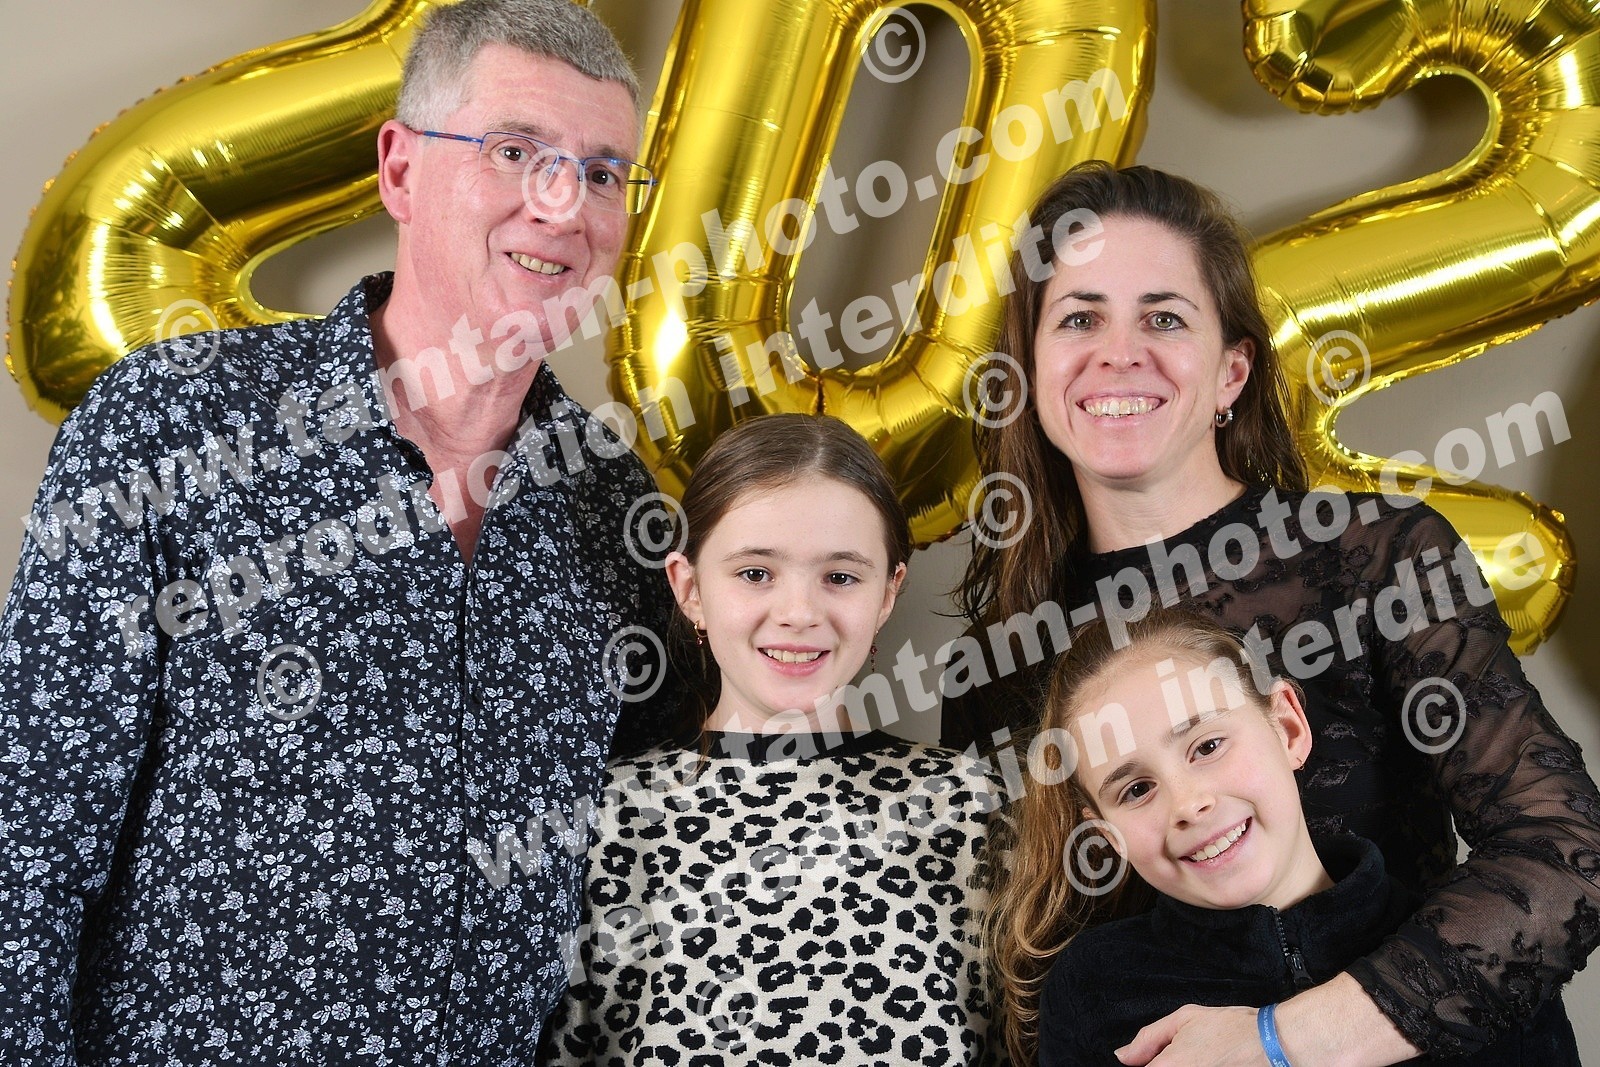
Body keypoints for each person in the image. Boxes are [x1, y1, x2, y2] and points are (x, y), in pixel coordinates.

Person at [0, 1, 675, 1062]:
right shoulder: (173, 425)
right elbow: (26, 845)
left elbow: (630, 872)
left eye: (602, 173)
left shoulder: (614, 501)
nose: (562, 206)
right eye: (514, 152)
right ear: (401, 170)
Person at [942, 162, 1600, 1062]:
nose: (1118, 352)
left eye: (1164, 318)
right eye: (1080, 318)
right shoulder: (999, 662)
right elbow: (1021, 984)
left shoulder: (1376, 555)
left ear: (1232, 372)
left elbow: (1565, 850)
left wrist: (1278, 1043)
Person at [536, 414, 1006, 1066]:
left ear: (887, 593)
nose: (798, 613)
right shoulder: (606, 820)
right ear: (689, 587)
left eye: (840, 576)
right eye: (755, 573)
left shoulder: (968, 803)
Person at [984, 609, 1579, 1066]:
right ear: (1107, 835)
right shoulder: (1093, 987)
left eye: (1207, 746)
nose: (1187, 804)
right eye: (1136, 789)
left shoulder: (1469, 952)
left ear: (1288, 728)